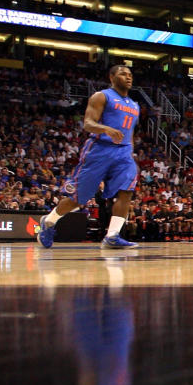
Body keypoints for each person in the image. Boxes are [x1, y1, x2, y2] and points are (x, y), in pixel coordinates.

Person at [37, 64, 140, 249]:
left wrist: (130, 153)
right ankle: (49, 221)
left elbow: (129, 132)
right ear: (112, 77)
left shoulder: (135, 105)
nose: (128, 77)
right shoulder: (102, 96)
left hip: (124, 152)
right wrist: (105, 128)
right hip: (100, 149)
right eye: (123, 74)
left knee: (127, 191)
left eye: (130, 74)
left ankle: (113, 235)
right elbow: (88, 123)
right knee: (79, 198)